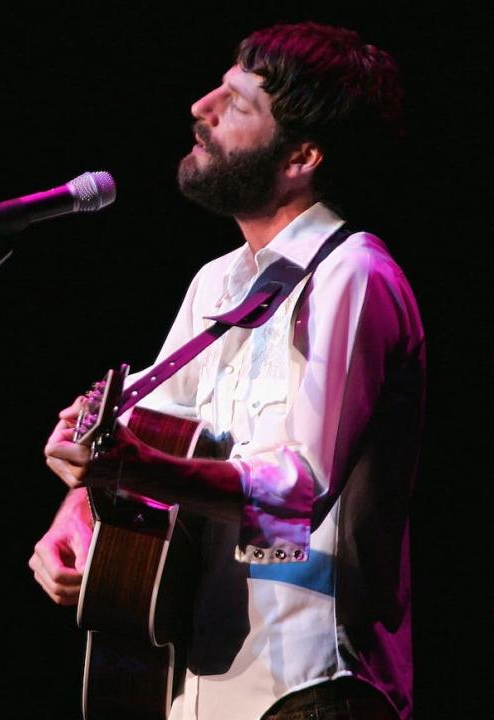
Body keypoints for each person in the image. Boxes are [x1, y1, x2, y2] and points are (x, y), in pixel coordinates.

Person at [29, 21, 424, 720]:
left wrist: (124, 469)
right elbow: (148, 431)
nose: (200, 106)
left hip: (312, 681)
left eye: (237, 104)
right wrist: (81, 514)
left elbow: (299, 488)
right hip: (194, 688)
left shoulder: (353, 275)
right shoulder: (216, 284)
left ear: (301, 154)